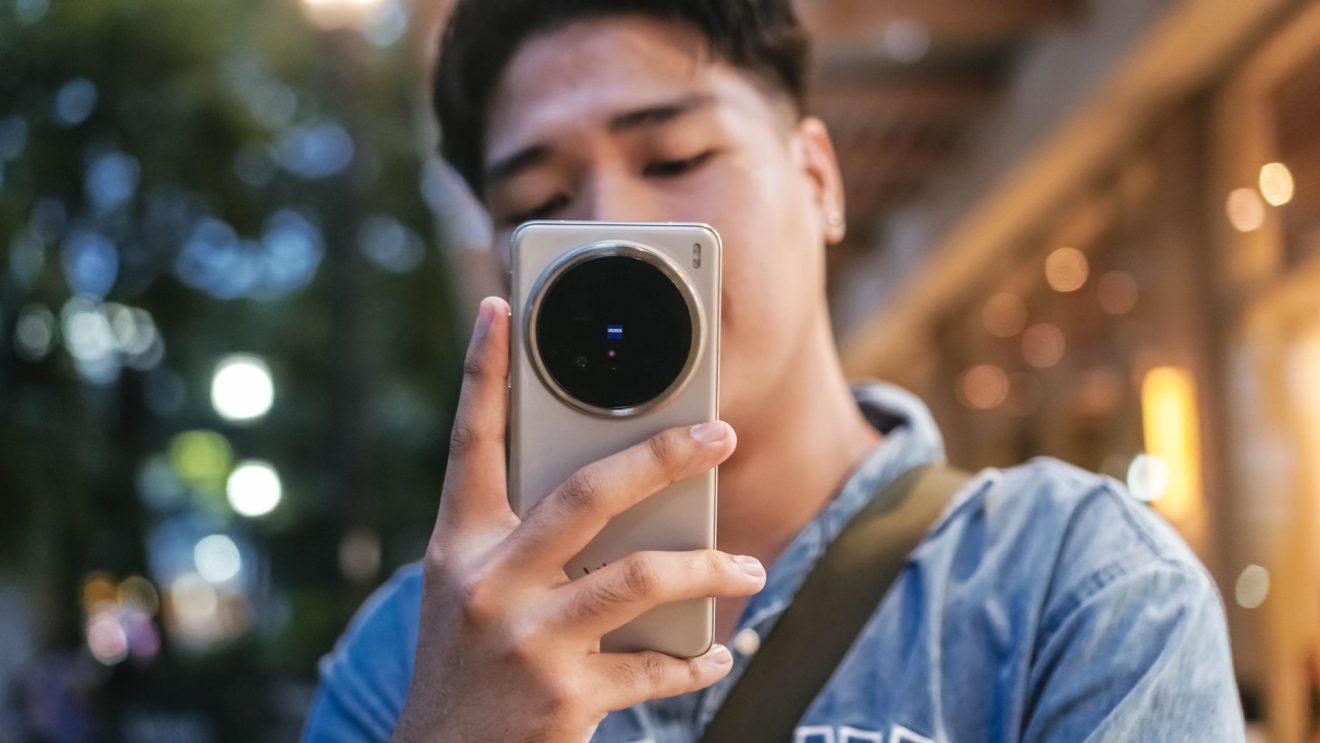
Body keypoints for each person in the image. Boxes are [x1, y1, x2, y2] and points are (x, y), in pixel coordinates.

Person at [304, 1, 1245, 740]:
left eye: (673, 157)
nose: (614, 227)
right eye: (540, 202)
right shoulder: (412, 655)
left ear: (819, 180)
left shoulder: (1077, 591)